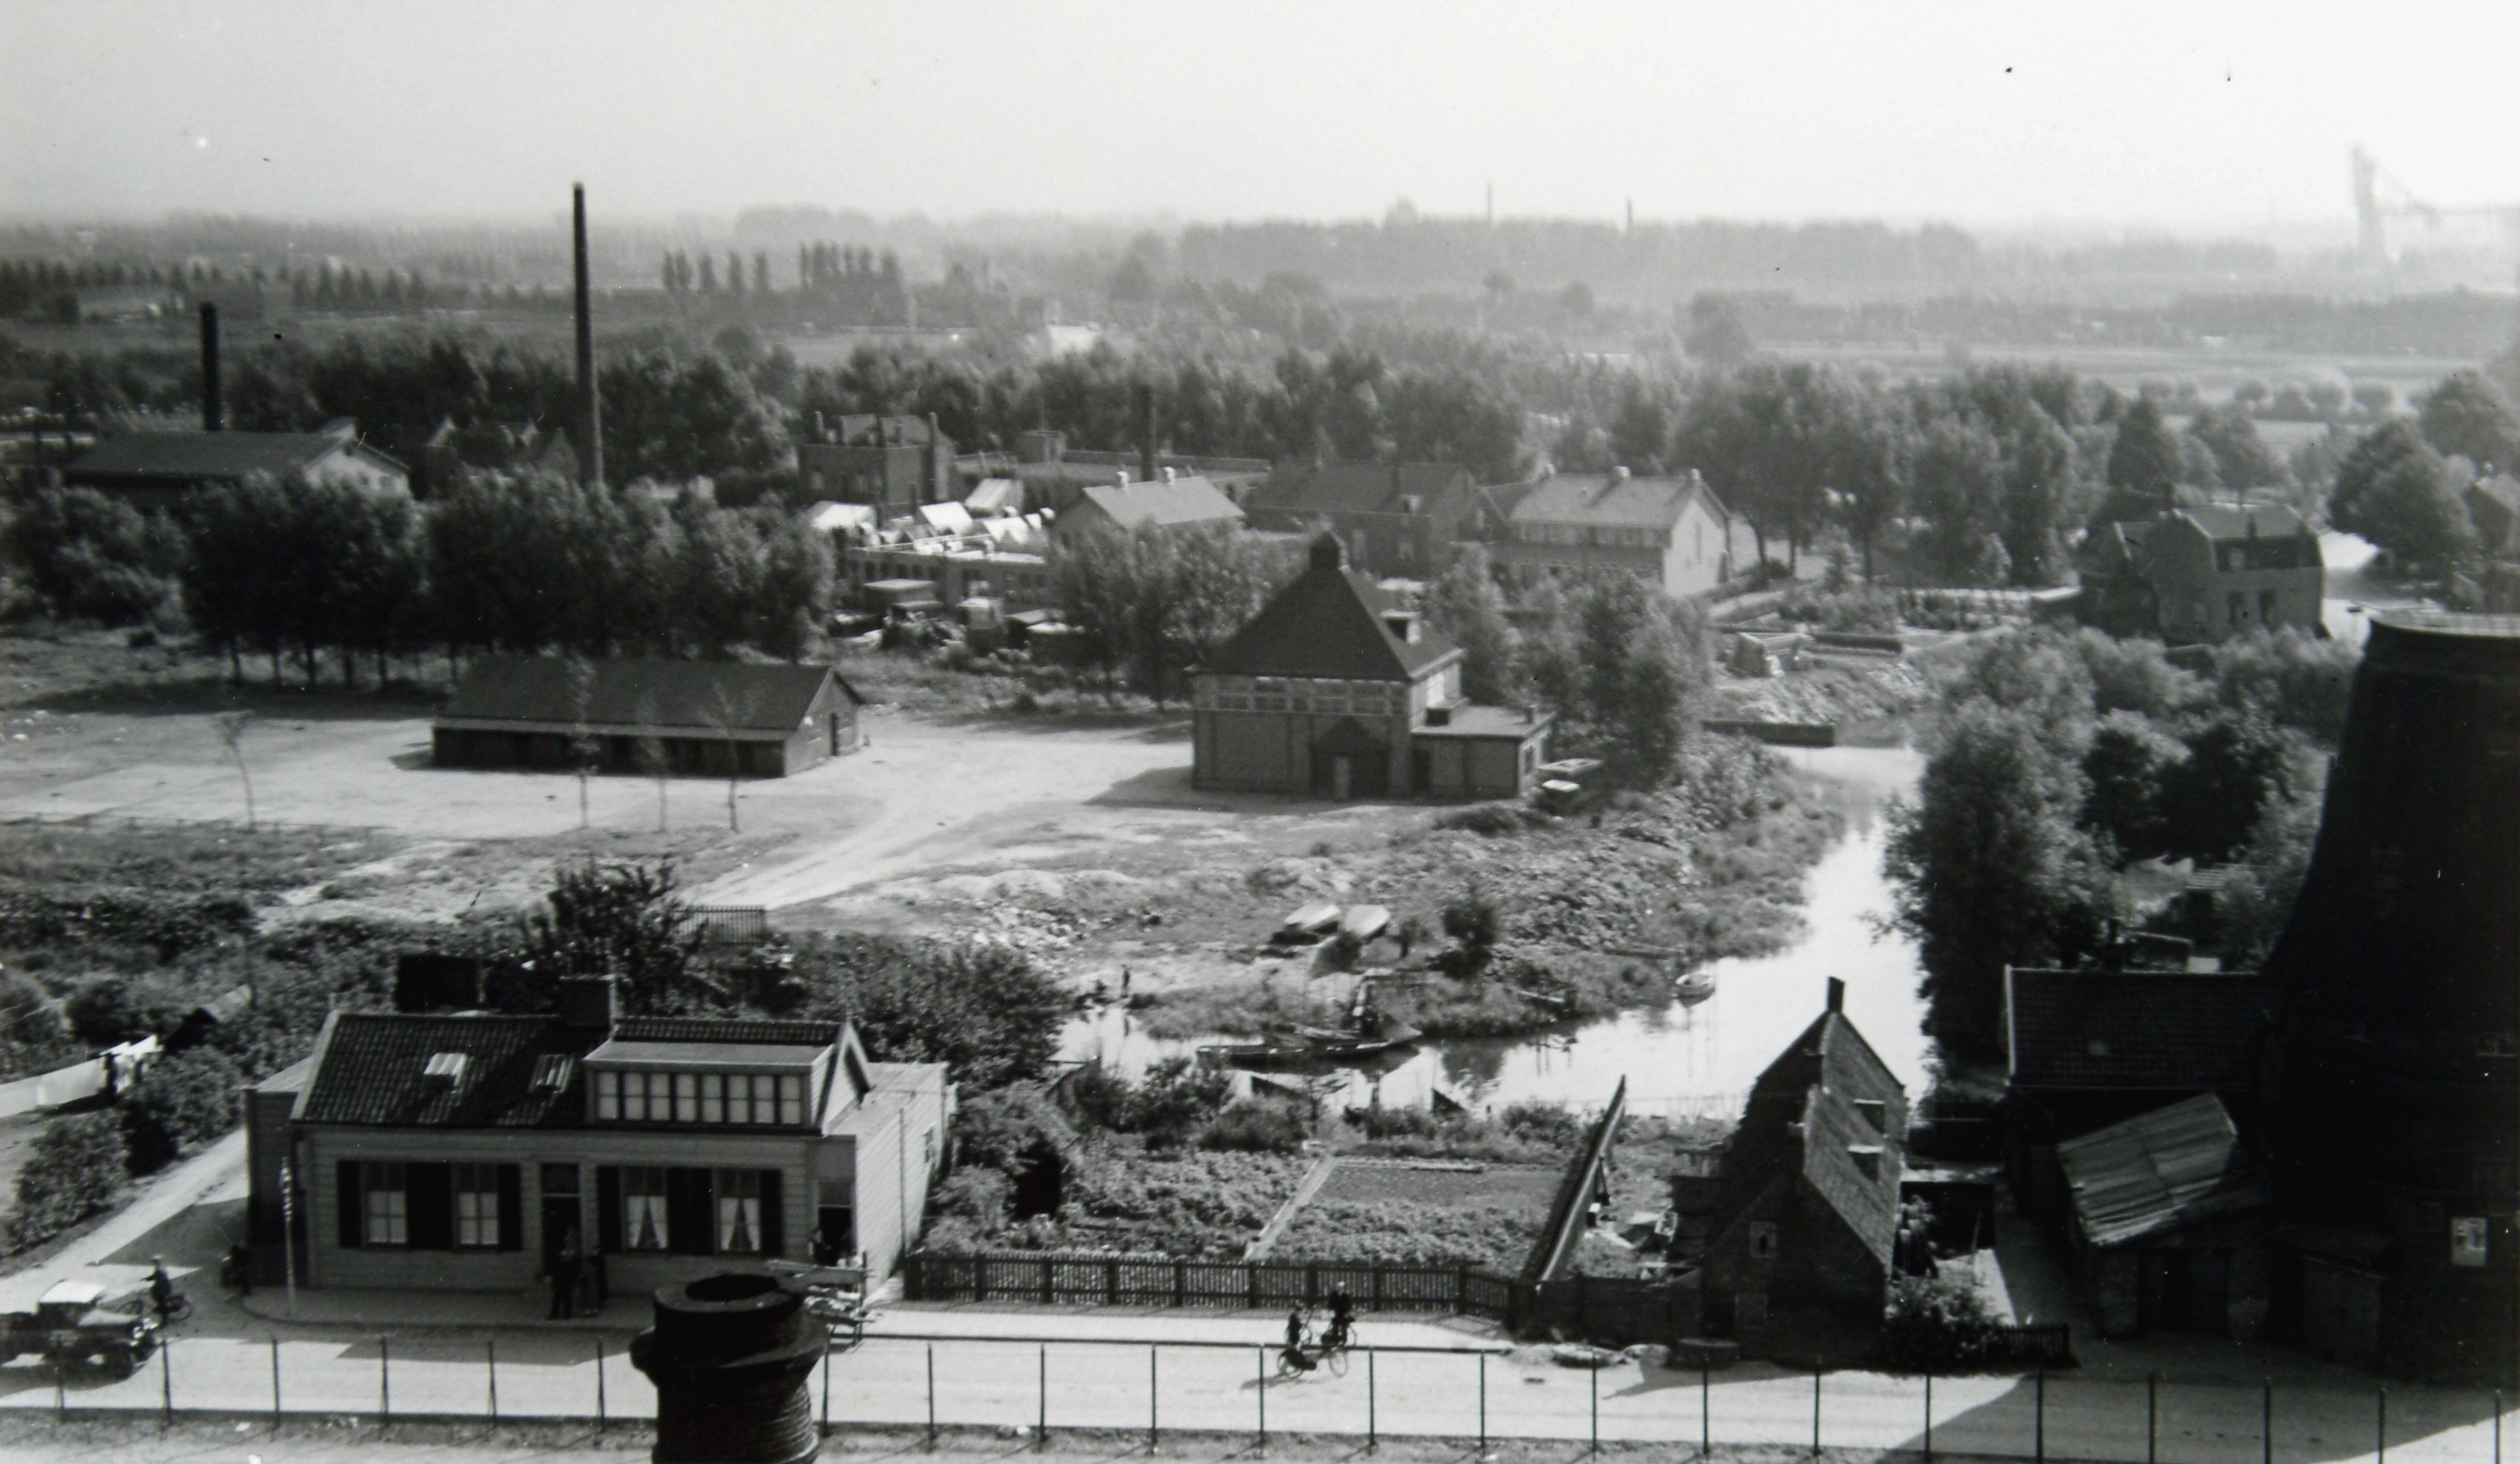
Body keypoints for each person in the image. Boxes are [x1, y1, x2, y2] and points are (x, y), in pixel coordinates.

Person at [550, 1226, 584, 1320]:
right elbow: (557, 1265)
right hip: (561, 1275)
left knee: (566, 1297)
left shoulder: (575, 1246)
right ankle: (556, 1314)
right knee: (558, 1297)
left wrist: (575, 1278)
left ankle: (567, 1314)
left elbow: (575, 1263)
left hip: (567, 1276)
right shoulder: (562, 1246)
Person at [147, 1257, 175, 1325]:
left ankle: (165, 1321)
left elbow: (158, 1278)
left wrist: (149, 1279)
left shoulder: (159, 1269)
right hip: (164, 1288)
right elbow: (155, 1276)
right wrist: (147, 1279)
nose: (154, 1264)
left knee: (162, 1304)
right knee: (160, 1301)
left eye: (155, 1262)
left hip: (163, 1289)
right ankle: (166, 1316)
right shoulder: (160, 1268)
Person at [1326, 1284, 1353, 1350]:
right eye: (1338, 1288)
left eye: (1341, 1288)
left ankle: (1344, 1340)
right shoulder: (1334, 1295)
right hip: (1336, 1313)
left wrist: (1347, 1312)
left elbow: (1349, 1305)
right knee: (1335, 1327)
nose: (1339, 1289)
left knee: (1344, 1327)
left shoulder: (1346, 1296)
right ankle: (1335, 1340)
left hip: (1343, 1314)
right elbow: (1330, 1303)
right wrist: (1331, 1309)